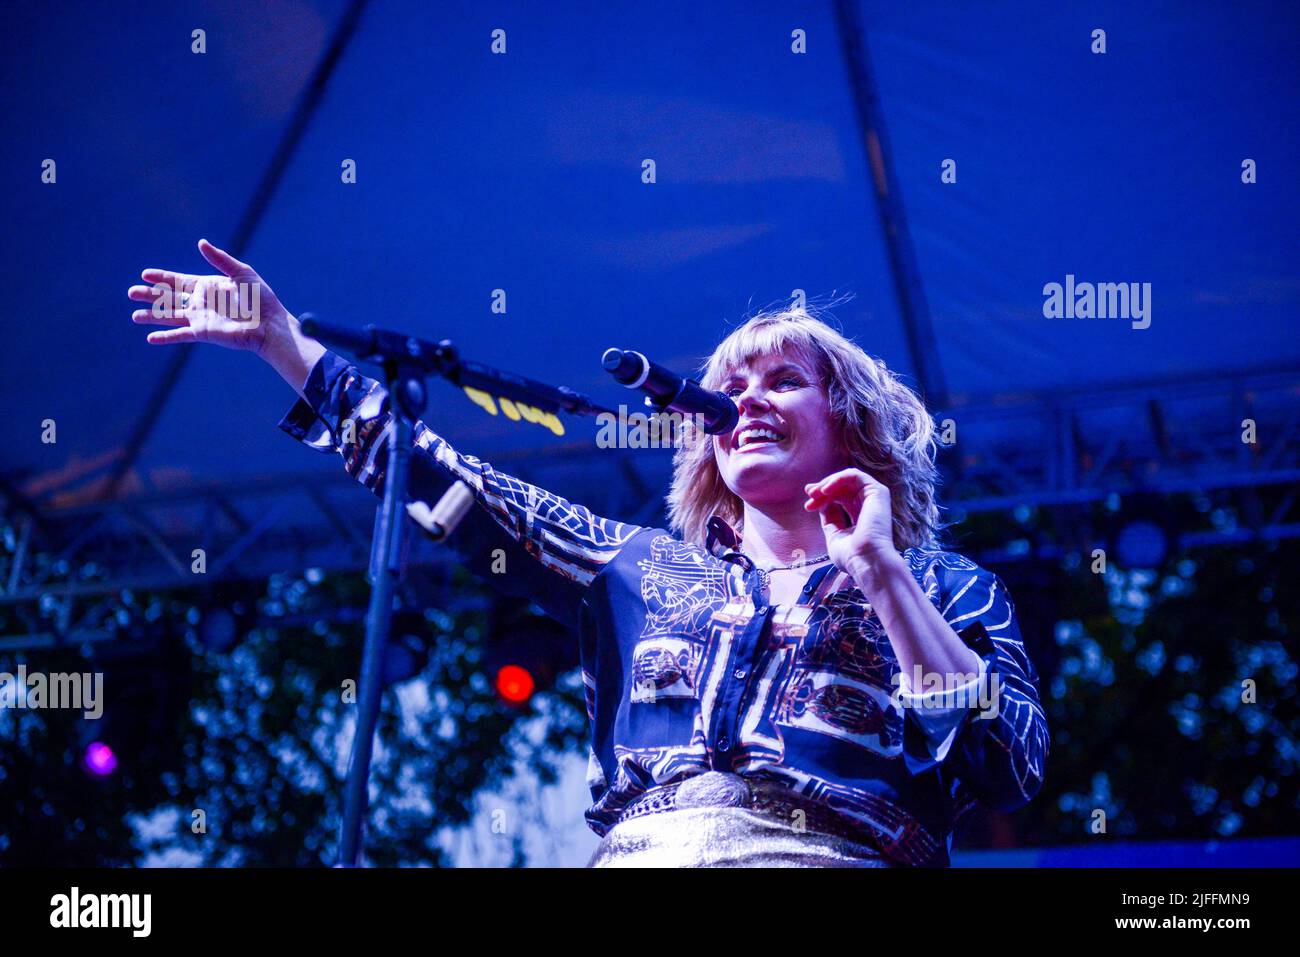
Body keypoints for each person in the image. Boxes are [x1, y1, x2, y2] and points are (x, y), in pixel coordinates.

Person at [129, 240, 1049, 867]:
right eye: (729, 386)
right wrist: (286, 347)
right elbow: (450, 485)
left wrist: (882, 573)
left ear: (849, 422)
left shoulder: (944, 586)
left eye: (784, 381)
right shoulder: (637, 568)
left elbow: (1006, 766)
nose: (748, 399)